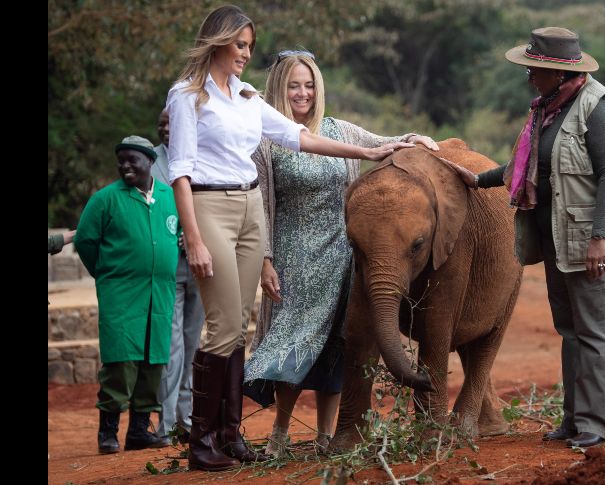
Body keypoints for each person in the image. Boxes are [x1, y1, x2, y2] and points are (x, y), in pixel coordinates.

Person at [165, 5, 413, 471]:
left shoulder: (245, 97)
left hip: (249, 208)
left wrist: (367, 150)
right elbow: (179, 169)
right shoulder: (187, 96)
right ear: (217, 41)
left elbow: (299, 137)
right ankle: (203, 441)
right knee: (221, 326)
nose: (244, 54)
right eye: (239, 44)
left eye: (249, 46)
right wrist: (193, 237)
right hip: (210, 205)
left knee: (239, 325)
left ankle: (229, 435)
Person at [446, 27, 605, 448]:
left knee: (596, 332)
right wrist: (478, 180)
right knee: (570, 330)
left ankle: (599, 426)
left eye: (535, 68)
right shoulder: (547, 109)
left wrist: (600, 237)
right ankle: (575, 421)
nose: (530, 76)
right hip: (557, 236)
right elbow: (529, 168)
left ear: (556, 71)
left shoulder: (597, 106)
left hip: (591, 240)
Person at [242, 50, 438, 458]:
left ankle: (326, 436)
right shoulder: (266, 140)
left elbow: (382, 144)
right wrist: (265, 260)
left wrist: (415, 139)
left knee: (338, 344)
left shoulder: (339, 131)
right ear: (279, 88)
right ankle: (279, 433)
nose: (303, 93)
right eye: (294, 85)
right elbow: (259, 204)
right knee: (293, 342)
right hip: (293, 257)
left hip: (343, 254)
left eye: (309, 85)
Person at [74, 136, 177, 454]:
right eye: (121, 160)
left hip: (158, 294)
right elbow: (86, 242)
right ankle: (108, 433)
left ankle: (138, 432)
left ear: (150, 162)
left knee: (153, 362)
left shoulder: (169, 196)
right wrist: (107, 273)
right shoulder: (105, 199)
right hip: (120, 293)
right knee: (120, 363)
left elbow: (181, 232)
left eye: (133, 160)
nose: (125, 165)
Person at [151, 108, 206, 447]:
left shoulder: (204, 156)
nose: (167, 129)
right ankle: (166, 423)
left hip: (201, 263)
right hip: (168, 263)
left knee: (192, 343)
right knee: (170, 346)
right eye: (162, 124)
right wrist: (179, 235)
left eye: (173, 123)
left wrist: (197, 235)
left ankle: (187, 419)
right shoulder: (151, 162)